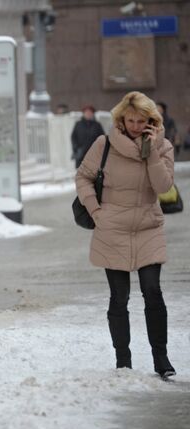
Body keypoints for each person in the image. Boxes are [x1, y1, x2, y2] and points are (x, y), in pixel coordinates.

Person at [75, 91, 175, 377]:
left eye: (140, 120)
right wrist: (96, 211)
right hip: (113, 228)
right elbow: (83, 177)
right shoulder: (103, 145)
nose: (134, 125)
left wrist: (152, 150)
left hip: (148, 227)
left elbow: (163, 186)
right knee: (119, 297)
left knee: (152, 292)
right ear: (121, 119)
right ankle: (123, 360)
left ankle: (161, 358)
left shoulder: (163, 146)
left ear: (151, 121)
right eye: (129, 120)